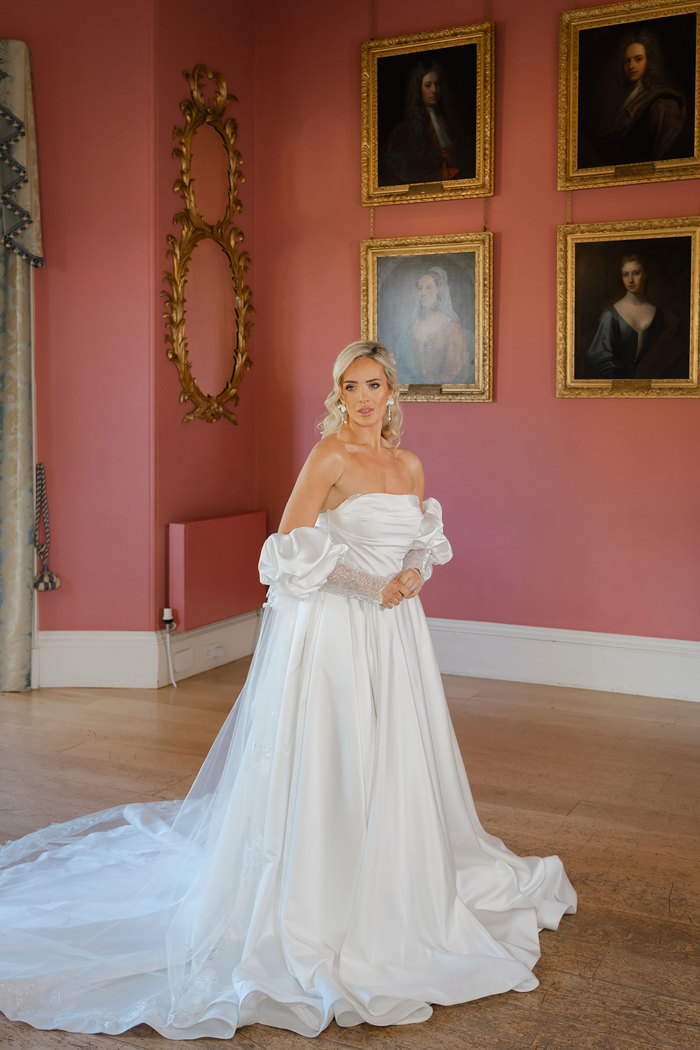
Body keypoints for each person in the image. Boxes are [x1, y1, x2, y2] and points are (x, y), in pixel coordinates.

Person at [0, 341, 576, 1040]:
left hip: (395, 630)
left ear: (394, 391)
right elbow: (286, 546)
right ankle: (320, 886)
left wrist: (411, 577)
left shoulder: (408, 464)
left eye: (375, 385)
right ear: (338, 395)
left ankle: (390, 873)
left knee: (391, 748)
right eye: (351, 386)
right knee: (335, 749)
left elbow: (420, 538)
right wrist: (370, 585)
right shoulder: (330, 457)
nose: (364, 398)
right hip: (338, 625)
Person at [599, 28, 687, 165]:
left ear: (649, 60)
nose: (631, 66)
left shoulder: (664, 101)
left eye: (638, 59)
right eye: (627, 61)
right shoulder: (629, 95)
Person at [380, 58, 474, 186]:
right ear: (418, 89)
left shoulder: (447, 123)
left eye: (437, 84)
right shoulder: (404, 130)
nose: (434, 90)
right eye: (428, 85)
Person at [586, 254, 681, 379]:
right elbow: (598, 354)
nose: (630, 280)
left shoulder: (659, 315)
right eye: (626, 274)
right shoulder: (611, 315)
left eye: (636, 273)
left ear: (645, 274)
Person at [407, 266, 473, 383]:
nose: (423, 293)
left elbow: (455, 367)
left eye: (429, 287)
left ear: (439, 290)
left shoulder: (450, 326)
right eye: (420, 288)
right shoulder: (412, 326)